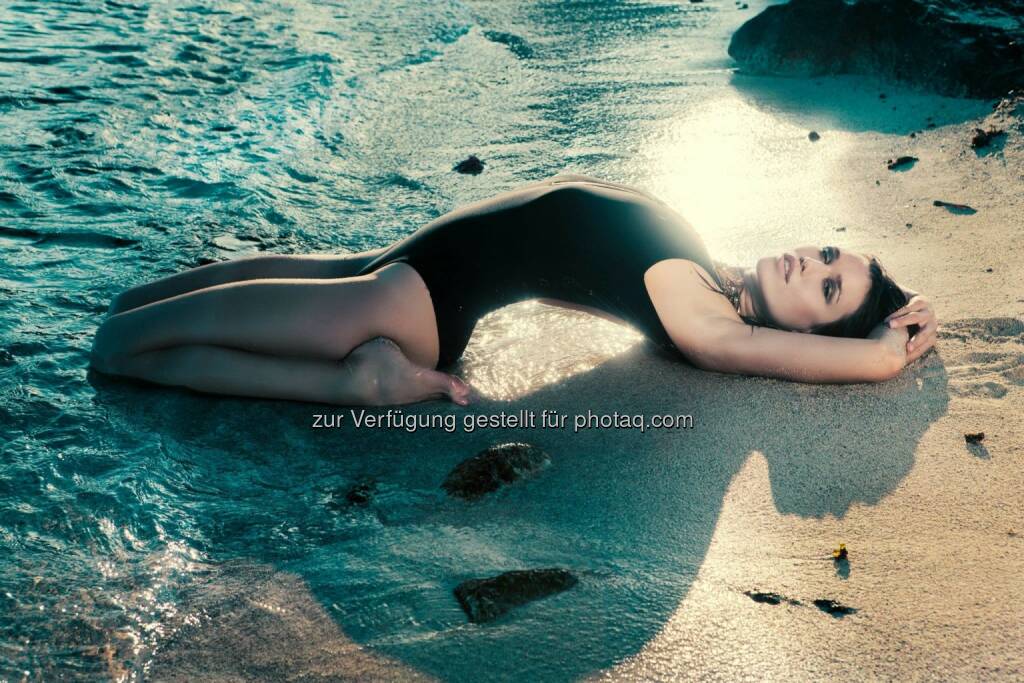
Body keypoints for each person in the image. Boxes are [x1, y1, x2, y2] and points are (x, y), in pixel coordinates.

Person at [89, 175, 937, 406]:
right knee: (130, 308)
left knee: (117, 347)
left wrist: (882, 356)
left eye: (829, 288)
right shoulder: (711, 273)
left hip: (409, 299)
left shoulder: (710, 319)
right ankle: (363, 377)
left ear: (808, 333)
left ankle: (358, 383)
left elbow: (748, 351)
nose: (812, 263)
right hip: (399, 262)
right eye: (831, 254)